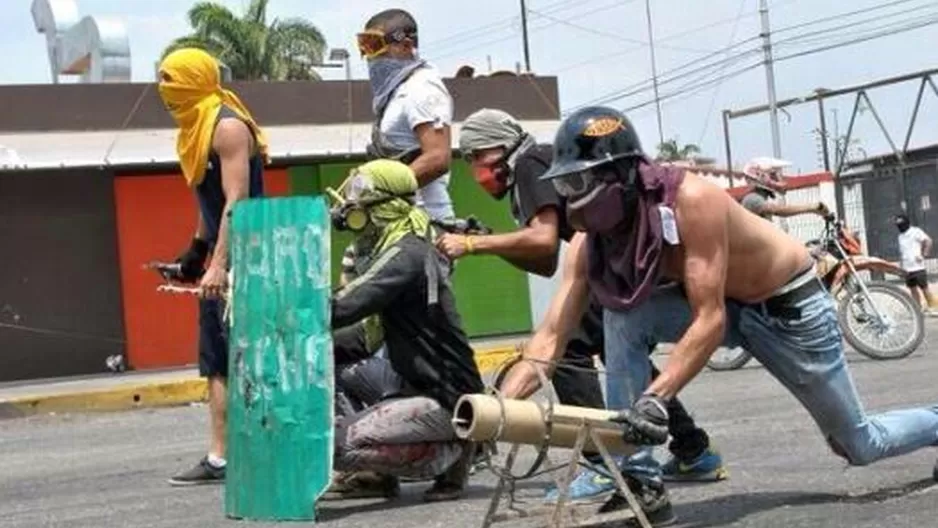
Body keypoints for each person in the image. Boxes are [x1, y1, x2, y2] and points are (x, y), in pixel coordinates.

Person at [499, 106, 938, 526]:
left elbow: (708, 320)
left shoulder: (691, 200)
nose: (572, 201)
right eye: (566, 186)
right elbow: (550, 338)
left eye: (580, 183)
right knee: (620, 319)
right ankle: (641, 480)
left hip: (788, 310)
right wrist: (499, 409)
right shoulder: (590, 241)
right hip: (730, 307)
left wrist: (656, 398)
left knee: (858, 444)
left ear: (621, 173)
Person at [438, 109, 725, 502]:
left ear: (502, 147)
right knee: (618, 353)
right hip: (607, 266)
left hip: (602, 266)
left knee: (569, 348)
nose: (477, 170)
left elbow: (541, 242)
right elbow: (544, 261)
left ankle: (604, 464)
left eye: (479, 157)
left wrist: (474, 245)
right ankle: (693, 450)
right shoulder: (532, 166)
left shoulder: (528, 164)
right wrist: (491, 241)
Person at [324, 159, 484, 503]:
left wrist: (285, 305)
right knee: (326, 359)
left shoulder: (407, 253)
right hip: (412, 381)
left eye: (360, 195)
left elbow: (342, 307)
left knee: (326, 445)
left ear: (387, 205)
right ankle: (375, 475)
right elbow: (361, 336)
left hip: (446, 399)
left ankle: (452, 452)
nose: (350, 206)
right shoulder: (392, 247)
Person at [158, 48, 269, 486]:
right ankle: (223, 455)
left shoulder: (225, 126)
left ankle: (235, 455)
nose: (165, 91)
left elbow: (236, 201)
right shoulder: (195, 127)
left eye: (172, 81)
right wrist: (195, 251)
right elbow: (211, 204)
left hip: (248, 259)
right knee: (216, 360)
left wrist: (220, 264)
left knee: (240, 358)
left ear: (194, 80)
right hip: (224, 253)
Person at [358, 8, 454, 222]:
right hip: (397, 223)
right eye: (364, 46)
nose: (370, 56)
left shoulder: (422, 86)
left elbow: (438, 158)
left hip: (425, 222)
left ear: (406, 45)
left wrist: (379, 193)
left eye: (375, 46)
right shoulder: (395, 94)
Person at [739, 157, 829, 220]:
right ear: (760, 176)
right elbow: (778, 210)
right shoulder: (752, 199)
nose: (777, 179)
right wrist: (812, 207)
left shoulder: (760, 198)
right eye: (773, 175)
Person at [894, 213, 937, 312]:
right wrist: (901, 267)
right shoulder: (900, 236)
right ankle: (917, 309)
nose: (900, 226)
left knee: (924, 288)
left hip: (918, 267)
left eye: (901, 223)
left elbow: (928, 241)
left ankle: (933, 307)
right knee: (912, 289)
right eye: (898, 224)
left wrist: (924, 254)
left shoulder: (915, 231)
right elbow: (902, 252)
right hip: (907, 268)